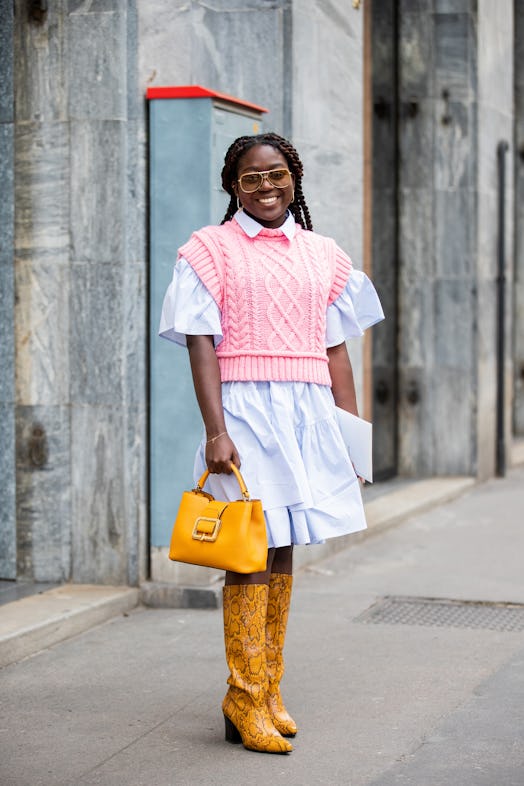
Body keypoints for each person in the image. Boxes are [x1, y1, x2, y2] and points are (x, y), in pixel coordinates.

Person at [159, 132, 384, 754]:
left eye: (276, 174)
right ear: (233, 186)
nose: (266, 187)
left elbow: (337, 350)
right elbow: (201, 343)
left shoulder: (324, 255)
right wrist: (216, 430)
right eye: (251, 178)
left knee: (283, 548)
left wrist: (351, 435)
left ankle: (266, 688)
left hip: (307, 412)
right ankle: (243, 692)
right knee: (248, 551)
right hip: (247, 414)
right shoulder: (209, 251)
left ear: (295, 176)